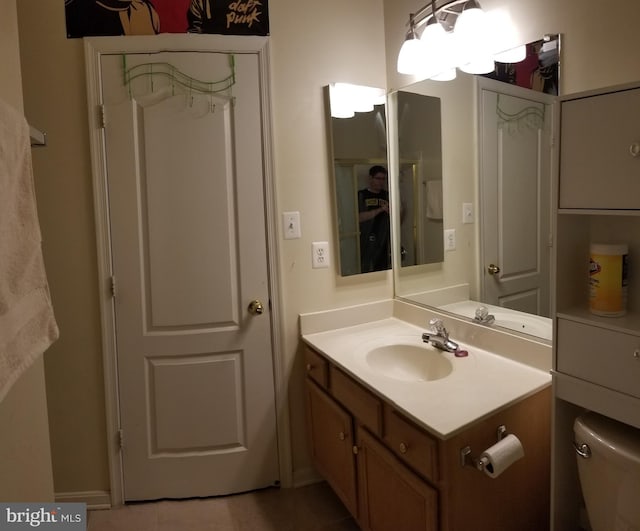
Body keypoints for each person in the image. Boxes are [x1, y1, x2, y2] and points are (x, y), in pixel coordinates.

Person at [358, 165, 391, 273]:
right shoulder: (362, 195)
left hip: (384, 239)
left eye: (383, 179)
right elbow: (358, 218)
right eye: (378, 178)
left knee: (382, 269)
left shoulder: (387, 195)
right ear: (370, 178)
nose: (381, 182)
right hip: (366, 238)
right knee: (366, 268)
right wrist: (380, 210)